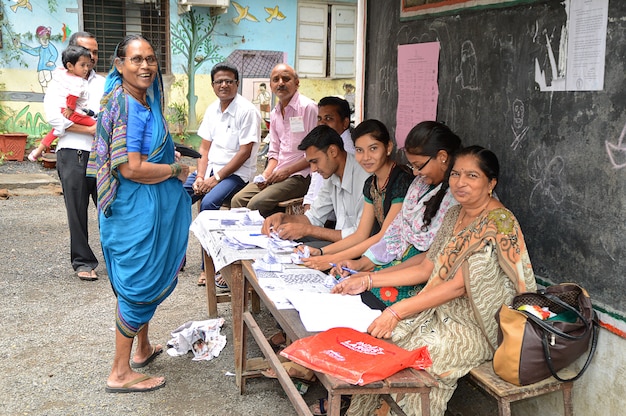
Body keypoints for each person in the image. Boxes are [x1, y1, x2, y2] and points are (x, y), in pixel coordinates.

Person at [333, 146, 537, 416]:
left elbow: (459, 286)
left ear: (491, 183)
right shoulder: (455, 215)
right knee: (385, 343)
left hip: (480, 325)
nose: (460, 183)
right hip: (438, 312)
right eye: (455, 174)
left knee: (425, 360)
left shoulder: (499, 222)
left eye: (472, 176)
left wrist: (396, 311)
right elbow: (427, 268)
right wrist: (368, 280)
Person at [87, 34, 191, 393]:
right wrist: (176, 171)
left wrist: (167, 159)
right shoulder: (127, 105)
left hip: (147, 210)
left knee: (144, 277)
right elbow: (131, 169)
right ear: (119, 65)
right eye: (136, 59)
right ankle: (119, 372)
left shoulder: (140, 99)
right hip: (136, 212)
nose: (145, 65)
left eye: (150, 58)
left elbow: (148, 153)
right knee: (138, 284)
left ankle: (142, 348)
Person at [328, 121, 462, 308]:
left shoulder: (458, 198)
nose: (415, 172)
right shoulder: (418, 185)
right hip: (401, 263)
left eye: (419, 166)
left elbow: (429, 262)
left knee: (368, 296)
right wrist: (362, 265)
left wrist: (371, 277)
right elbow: (393, 234)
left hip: (429, 275)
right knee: (354, 290)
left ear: (442, 157)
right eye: (412, 165)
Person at [182, 62, 261, 286]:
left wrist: (215, 180)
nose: (224, 85)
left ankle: (209, 267)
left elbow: (245, 152)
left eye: (229, 81)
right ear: (213, 85)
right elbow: (204, 149)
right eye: (219, 81)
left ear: (237, 84)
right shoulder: (212, 109)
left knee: (208, 204)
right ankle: (178, 259)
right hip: (209, 171)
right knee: (176, 197)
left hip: (236, 174)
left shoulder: (247, 111)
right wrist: (199, 177)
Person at [299, 119, 413, 270]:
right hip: (374, 251)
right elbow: (360, 234)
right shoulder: (371, 184)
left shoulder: (401, 181)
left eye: (373, 149)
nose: (365, 157)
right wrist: (321, 252)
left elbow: (383, 237)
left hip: (400, 255)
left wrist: (330, 259)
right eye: (359, 150)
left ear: (388, 147)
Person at [43, 31, 104, 281]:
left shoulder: (103, 82)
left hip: (102, 155)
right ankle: (83, 261)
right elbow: (55, 118)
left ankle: (121, 258)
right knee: (76, 212)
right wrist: (90, 128)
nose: (92, 57)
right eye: (86, 52)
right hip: (72, 153)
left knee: (112, 208)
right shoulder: (60, 81)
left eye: (96, 53)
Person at [230, 63, 317, 217]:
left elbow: (316, 153)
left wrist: (287, 171)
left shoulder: (308, 108)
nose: (281, 83)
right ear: (271, 85)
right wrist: (265, 175)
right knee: (238, 200)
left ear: (297, 83)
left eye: (286, 78)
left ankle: (262, 238)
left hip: (301, 175)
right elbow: (275, 151)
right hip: (278, 173)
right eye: (276, 80)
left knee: (255, 204)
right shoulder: (275, 113)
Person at [261, 124, 370, 244]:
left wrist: (308, 230)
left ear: (332, 151)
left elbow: (359, 235)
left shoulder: (365, 178)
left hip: (362, 251)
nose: (313, 169)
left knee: (301, 251)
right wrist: (283, 218)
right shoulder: (331, 177)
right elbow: (313, 218)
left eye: (315, 161)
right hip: (340, 244)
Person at [29, 46, 96, 162]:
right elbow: (73, 96)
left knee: (55, 131)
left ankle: (37, 152)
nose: (86, 69)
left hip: (62, 110)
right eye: (83, 65)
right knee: (96, 125)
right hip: (71, 112)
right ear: (70, 66)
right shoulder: (77, 81)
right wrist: (70, 108)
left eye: (87, 65)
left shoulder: (61, 74)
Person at [302, 96, 355, 210]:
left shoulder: (346, 153)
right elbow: (314, 191)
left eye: (328, 118)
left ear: (345, 123)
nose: (322, 123)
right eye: (320, 119)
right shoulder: (322, 147)